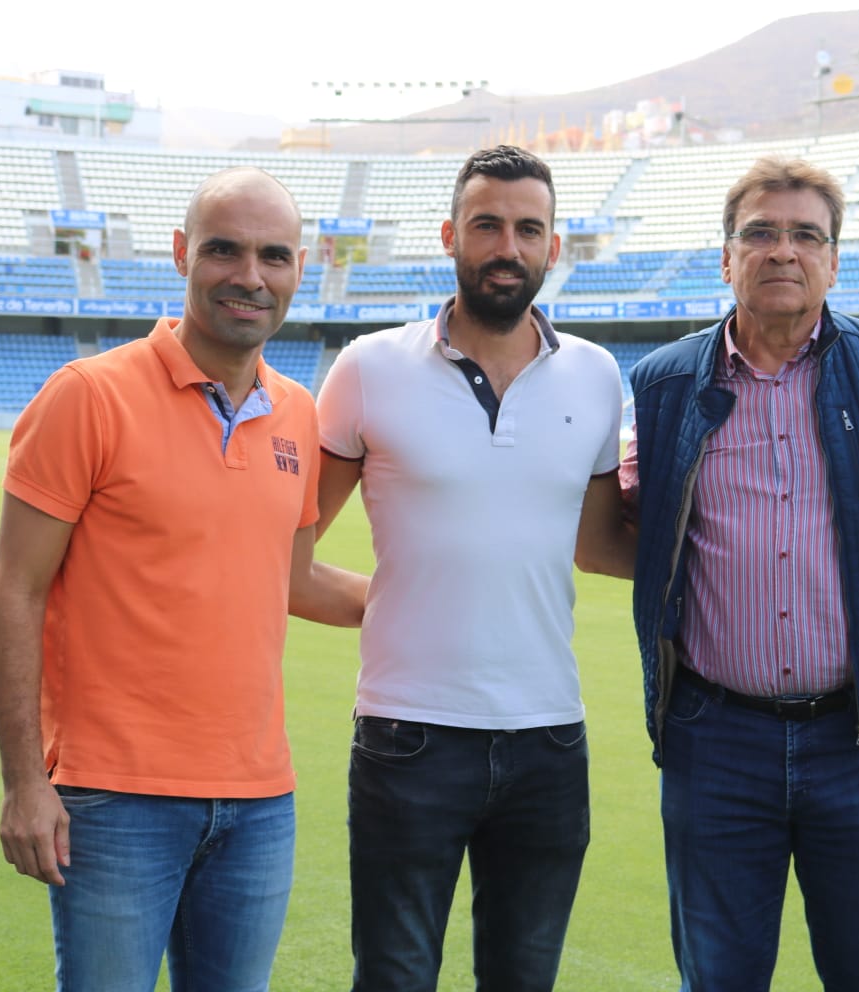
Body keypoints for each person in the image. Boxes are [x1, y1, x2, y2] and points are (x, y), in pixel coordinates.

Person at [0, 166, 368, 991]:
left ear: (299, 268)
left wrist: (417, 602)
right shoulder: (88, 396)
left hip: (261, 800)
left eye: (273, 256)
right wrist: (24, 781)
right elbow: (15, 589)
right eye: (224, 250)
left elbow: (289, 579)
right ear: (180, 255)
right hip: (116, 799)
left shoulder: (298, 412)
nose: (249, 277)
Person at [618, 156, 859, 991]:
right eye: (759, 233)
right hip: (714, 740)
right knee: (719, 978)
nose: (782, 251)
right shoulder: (661, 384)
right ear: (726, 256)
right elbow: (628, 523)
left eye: (806, 235)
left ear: (834, 259)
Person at [313, 145, 627, 992]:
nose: (507, 247)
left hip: (550, 740)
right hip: (407, 738)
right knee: (395, 974)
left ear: (553, 247)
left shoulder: (597, 377)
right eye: (487, 225)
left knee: (524, 979)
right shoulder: (369, 369)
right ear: (451, 235)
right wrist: (384, 605)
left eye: (529, 229)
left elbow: (598, 544)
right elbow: (283, 550)